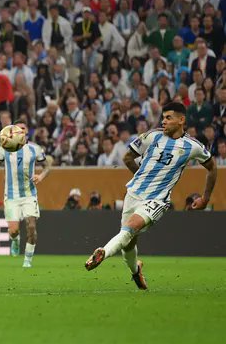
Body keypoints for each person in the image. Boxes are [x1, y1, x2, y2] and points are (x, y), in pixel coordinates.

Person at [85, 103, 217, 290]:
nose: (164, 121)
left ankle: (102, 253)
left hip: (158, 199)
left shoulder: (192, 146)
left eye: (168, 117)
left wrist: (205, 198)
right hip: (133, 193)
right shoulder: (152, 136)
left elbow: (212, 167)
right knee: (127, 243)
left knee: (131, 227)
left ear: (181, 120)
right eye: (163, 117)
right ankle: (135, 270)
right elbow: (127, 158)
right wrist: (143, 177)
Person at [0, 122, 50, 267]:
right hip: (11, 196)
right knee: (14, 230)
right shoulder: (4, 148)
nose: (19, 131)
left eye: (22, 128)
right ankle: (15, 240)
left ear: (26, 132)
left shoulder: (35, 149)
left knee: (31, 226)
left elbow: (47, 167)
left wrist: (41, 176)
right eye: (17, 128)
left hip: (29, 194)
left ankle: (27, 260)